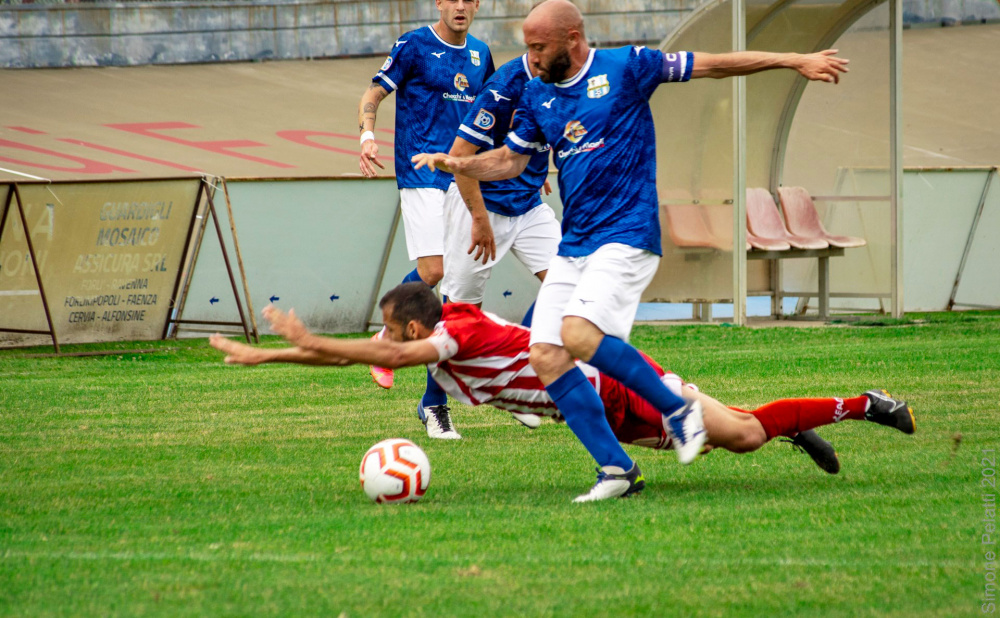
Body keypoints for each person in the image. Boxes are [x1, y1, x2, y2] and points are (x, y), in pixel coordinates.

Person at [412, 0, 852, 501]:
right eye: (527, 48)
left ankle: (678, 409)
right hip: (576, 243)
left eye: (538, 47)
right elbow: (510, 161)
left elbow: (713, 64)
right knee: (546, 355)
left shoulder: (628, 66)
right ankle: (617, 471)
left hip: (626, 234)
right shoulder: (537, 96)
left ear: (571, 40)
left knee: (576, 335)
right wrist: (457, 165)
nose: (530, 59)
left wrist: (794, 60)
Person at [209, 283, 916, 502]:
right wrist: (267, 356)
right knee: (742, 432)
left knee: (744, 434)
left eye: (393, 332)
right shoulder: (437, 336)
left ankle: (865, 403)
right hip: (595, 407)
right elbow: (351, 359)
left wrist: (313, 338)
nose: (387, 343)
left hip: (609, 386)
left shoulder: (453, 333)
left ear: (417, 325)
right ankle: (788, 424)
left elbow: (377, 352)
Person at [356, 0, 495, 439]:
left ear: (476, 7)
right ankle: (388, 330)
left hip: (463, 178)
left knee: (456, 290)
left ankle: (433, 402)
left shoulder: (480, 55)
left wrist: (520, 169)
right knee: (434, 272)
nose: (459, 7)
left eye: (467, 1)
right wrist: (367, 134)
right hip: (420, 172)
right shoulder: (414, 45)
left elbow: (495, 113)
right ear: (439, 3)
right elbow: (375, 92)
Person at [437, 51, 562, 436]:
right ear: (538, 48)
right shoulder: (503, 88)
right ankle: (433, 406)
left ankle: (521, 374)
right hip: (479, 204)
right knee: (460, 317)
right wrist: (478, 220)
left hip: (526, 207)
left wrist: (535, 171)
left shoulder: (562, 76)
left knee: (571, 280)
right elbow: (459, 159)